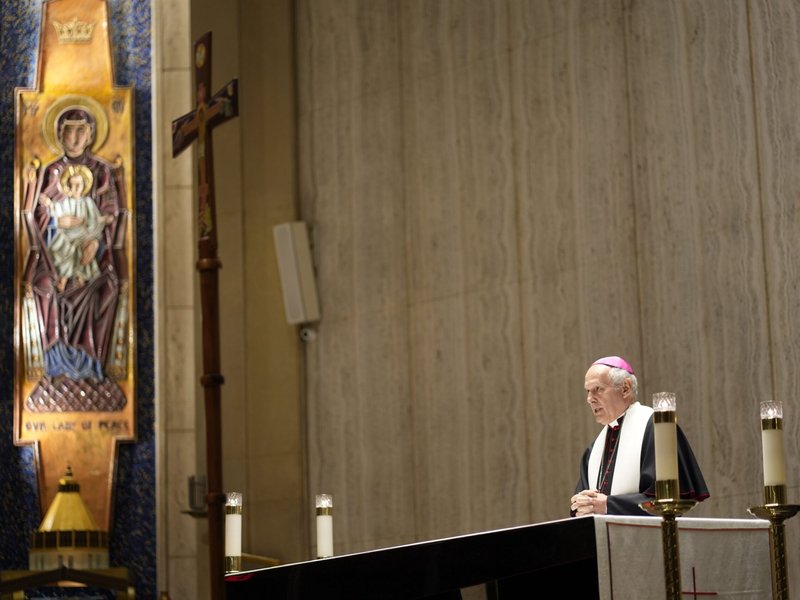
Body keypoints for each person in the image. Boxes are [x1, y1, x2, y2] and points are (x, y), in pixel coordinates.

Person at [26, 107, 123, 382]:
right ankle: (55, 365)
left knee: (106, 287)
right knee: (44, 286)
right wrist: (57, 224)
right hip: (53, 256)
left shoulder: (101, 172)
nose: (75, 136)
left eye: (81, 130)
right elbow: (37, 215)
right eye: (69, 130)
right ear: (59, 134)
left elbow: (110, 216)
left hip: (93, 258)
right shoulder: (50, 172)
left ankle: (90, 364)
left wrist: (96, 243)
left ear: (91, 134)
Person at [570, 356, 709, 516]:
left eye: (598, 389)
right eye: (588, 391)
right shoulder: (594, 449)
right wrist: (580, 505)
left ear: (625, 388)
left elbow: (667, 500)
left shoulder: (656, 429)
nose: (589, 399)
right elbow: (582, 505)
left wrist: (608, 505)